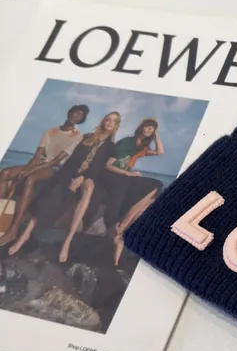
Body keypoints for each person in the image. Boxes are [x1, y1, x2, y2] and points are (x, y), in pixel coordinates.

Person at [9, 112, 121, 263]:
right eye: (108, 119)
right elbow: (73, 159)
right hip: (70, 172)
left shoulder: (112, 147)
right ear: (103, 121)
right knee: (54, 195)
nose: (110, 122)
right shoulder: (87, 137)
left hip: (89, 176)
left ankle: (67, 241)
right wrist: (75, 175)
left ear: (116, 126)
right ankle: (25, 235)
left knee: (89, 188)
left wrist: (83, 176)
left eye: (114, 121)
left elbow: (100, 167)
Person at [0, 104, 89, 246]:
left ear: (81, 120)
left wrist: (30, 171)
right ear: (70, 112)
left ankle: (13, 230)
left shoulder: (77, 136)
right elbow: (37, 156)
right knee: (5, 172)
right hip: (40, 164)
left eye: (80, 116)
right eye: (75, 112)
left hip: (55, 169)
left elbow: (56, 161)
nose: (76, 116)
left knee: (30, 179)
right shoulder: (50, 131)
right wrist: (28, 168)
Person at [101, 118, 165, 266]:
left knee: (156, 187)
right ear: (141, 127)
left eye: (152, 129)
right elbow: (108, 165)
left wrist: (156, 137)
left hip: (126, 177)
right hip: (113, 175)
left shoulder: (142, 147)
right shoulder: (127, 142)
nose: (149, 130)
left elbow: (160, 151)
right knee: (142, 191)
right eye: (148, 127)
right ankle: (120, 232)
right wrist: (128, 173)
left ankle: (121, 231)